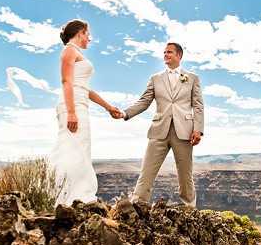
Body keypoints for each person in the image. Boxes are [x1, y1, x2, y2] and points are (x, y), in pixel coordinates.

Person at [120, 42, 204, 207]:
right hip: (159, 130)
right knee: (147, 170)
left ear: (179, 55)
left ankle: (189, 206)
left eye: (170, 52)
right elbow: (144, 102)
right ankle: (138, 204)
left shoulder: (192, 78)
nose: (166, 55)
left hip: (184, 131)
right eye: (164, 52)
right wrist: (125, 113)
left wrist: (198, 130)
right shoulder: (155, 78)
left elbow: (198, 105)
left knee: (185, 173)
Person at [49, 19, 122, 206]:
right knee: (72, 148)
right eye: (87, 34)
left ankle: (74, 196)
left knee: (80, 149)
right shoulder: (69, 51)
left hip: (80, 104)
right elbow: (66, 82)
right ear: (80, 32)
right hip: (71, 106)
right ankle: (68, 196)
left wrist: (108, 107)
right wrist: (72, 112)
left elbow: (84, 89)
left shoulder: (76, 53)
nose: (89, 38)